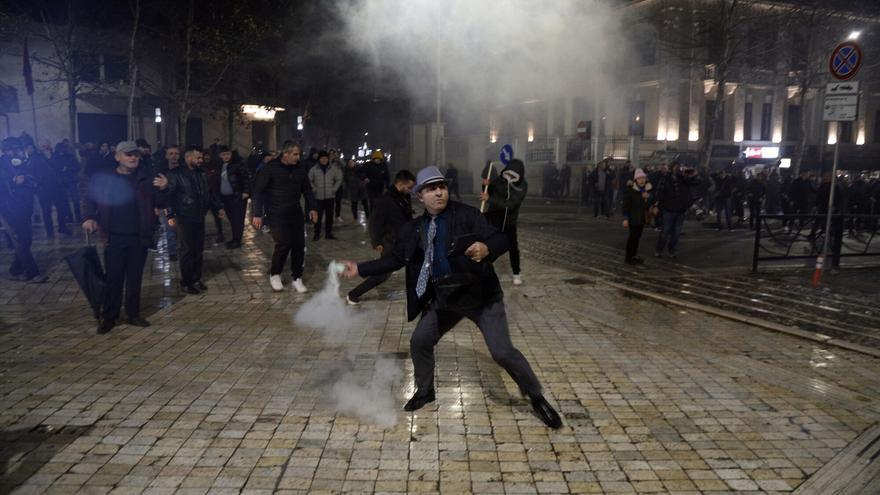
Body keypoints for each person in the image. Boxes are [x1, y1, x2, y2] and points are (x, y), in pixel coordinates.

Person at [339, 166, 562, 429]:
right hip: (446, 299)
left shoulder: (467, 216)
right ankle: (425, 391)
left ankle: (535, 395)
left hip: (481, 297)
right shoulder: (414, 229)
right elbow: (395, 259)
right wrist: (360, 269)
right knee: (420, 341)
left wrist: (487, 247)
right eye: (431, 189)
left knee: (502, 351)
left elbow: (502, 239)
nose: (439, 193)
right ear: (419, 196)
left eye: (442, 187)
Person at [82, 141, 166, 334]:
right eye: (128, 154)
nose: (133, 157)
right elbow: (89, 198)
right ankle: (109, 316)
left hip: (139, 237)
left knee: (135, 278)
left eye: (135, 154)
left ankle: (133, 313)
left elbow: (161, 202)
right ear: (117, 156)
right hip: (113, 237)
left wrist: (164, 188)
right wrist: (88, 217)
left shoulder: (146, 178)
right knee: (114, 278)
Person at [251, 141, 318, 293]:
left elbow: (307, 189)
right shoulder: (270, 168)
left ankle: (297, 277)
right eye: (295, 154)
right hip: (276, 213)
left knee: (299, 245)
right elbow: (259, 192)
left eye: (298, 154)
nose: (298, 157)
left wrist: (313, 208)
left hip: (295, 211)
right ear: (285, 154)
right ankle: (275, 274)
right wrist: (257, 214)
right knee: (284, 243)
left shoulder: (300, 168)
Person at [160, 148, 225, 294]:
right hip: (184, 217)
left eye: (201, 157)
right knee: (187, 250)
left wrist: (218, 207)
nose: (201, 160)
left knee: (198, 250)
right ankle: (186, 281)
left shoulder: (201, 173)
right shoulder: (176, 174)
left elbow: (209, 192)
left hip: (199, 216)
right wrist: (170, 215)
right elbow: (168, 196)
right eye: (198, 158)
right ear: (188, 157)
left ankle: (196, 278)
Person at [347, 170, 416, 305]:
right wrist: (377, 242)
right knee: (382, 273)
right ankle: (353, 294)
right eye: (409, 187)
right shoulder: (384, 199)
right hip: (390, 242)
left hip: (404, 240)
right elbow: (374, 222)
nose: (410, 190)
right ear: (400, 184)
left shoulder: (404, 197)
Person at [1, 137, 47, 283]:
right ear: (6, 150)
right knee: (20, 240)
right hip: (8, 208)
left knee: (26, 240)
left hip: (25, 207)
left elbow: (34, 180)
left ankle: (16, 268)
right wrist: (12, 182)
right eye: (12, 149)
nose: (16, 152)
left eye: (18, 149)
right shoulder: (2, 164)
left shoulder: (23, 163)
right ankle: (33, 273)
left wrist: (25, 180)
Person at [482, 158, 527, 285]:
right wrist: (486, 185)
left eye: (513, 175)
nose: (510, 177)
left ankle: (516, 273)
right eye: (509, 173)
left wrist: (490, 199)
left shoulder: (522, 185)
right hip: (494, 218)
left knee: (512, 247)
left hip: (509, 221)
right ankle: (484, 269)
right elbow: (489, 192)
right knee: (490, 244)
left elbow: (510, 204)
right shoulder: (500, 179)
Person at [654, 162, 699, 258]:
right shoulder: (665, 179)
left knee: (676, 233)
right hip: (668, 209)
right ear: (671, 168)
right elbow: (660, 193)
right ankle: (659, 249)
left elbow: (696, 182)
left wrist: (694, 175)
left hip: (680, 210)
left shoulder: (683, 178)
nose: (678, 169)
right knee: (665, 232)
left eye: (679, 167)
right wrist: (658, 205)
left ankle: (671, 250)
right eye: (676, 167)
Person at [214, 145, 251, 249]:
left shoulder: (237, 164)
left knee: (238, 219)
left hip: (237, 196)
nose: (226, 156)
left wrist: (246, 191)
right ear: (220, 155)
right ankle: (235, 238)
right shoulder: (219, 166)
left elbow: (246, 177)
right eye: (223, 154)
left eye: (228, 154)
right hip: (226, 198)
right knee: (231, 218)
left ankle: (237, 240)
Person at [307, 150, 343, 241]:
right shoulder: (314, 169)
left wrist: (334, 189)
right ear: (319, 159)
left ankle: (328, 233)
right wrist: (314, 189)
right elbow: (309, 180)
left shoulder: (333, 168)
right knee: (318, 217)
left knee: (329, 216)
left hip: (330, 197)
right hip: (318, 197)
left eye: (326, 158)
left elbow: (339, 179)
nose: (324, 160)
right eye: (322, 158)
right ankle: (317, 234)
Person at [621, 168, 653, 265]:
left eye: (643, 178)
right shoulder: (630, 191)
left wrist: (649, 198)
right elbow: (625, 206)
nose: (642, 180)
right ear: (636, 180)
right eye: (639, 178)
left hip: (642, 218)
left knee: (637, 237)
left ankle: (634, 255)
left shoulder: (647, 190)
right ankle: (629, 257)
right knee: (633, 238)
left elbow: (651, 203)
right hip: (633, 218)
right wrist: (626, 218)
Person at [329, 149, 345, 223]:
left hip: (339, 184)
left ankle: (338, 215)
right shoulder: (327, 160)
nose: (332, 154)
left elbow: (344, 165)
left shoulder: (338, 161)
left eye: (334, 153)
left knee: (338, 201)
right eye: (331, 153)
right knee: (330, 202)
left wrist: (338, 158)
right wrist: (330, 160)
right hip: (330, 184)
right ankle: (330, 216)